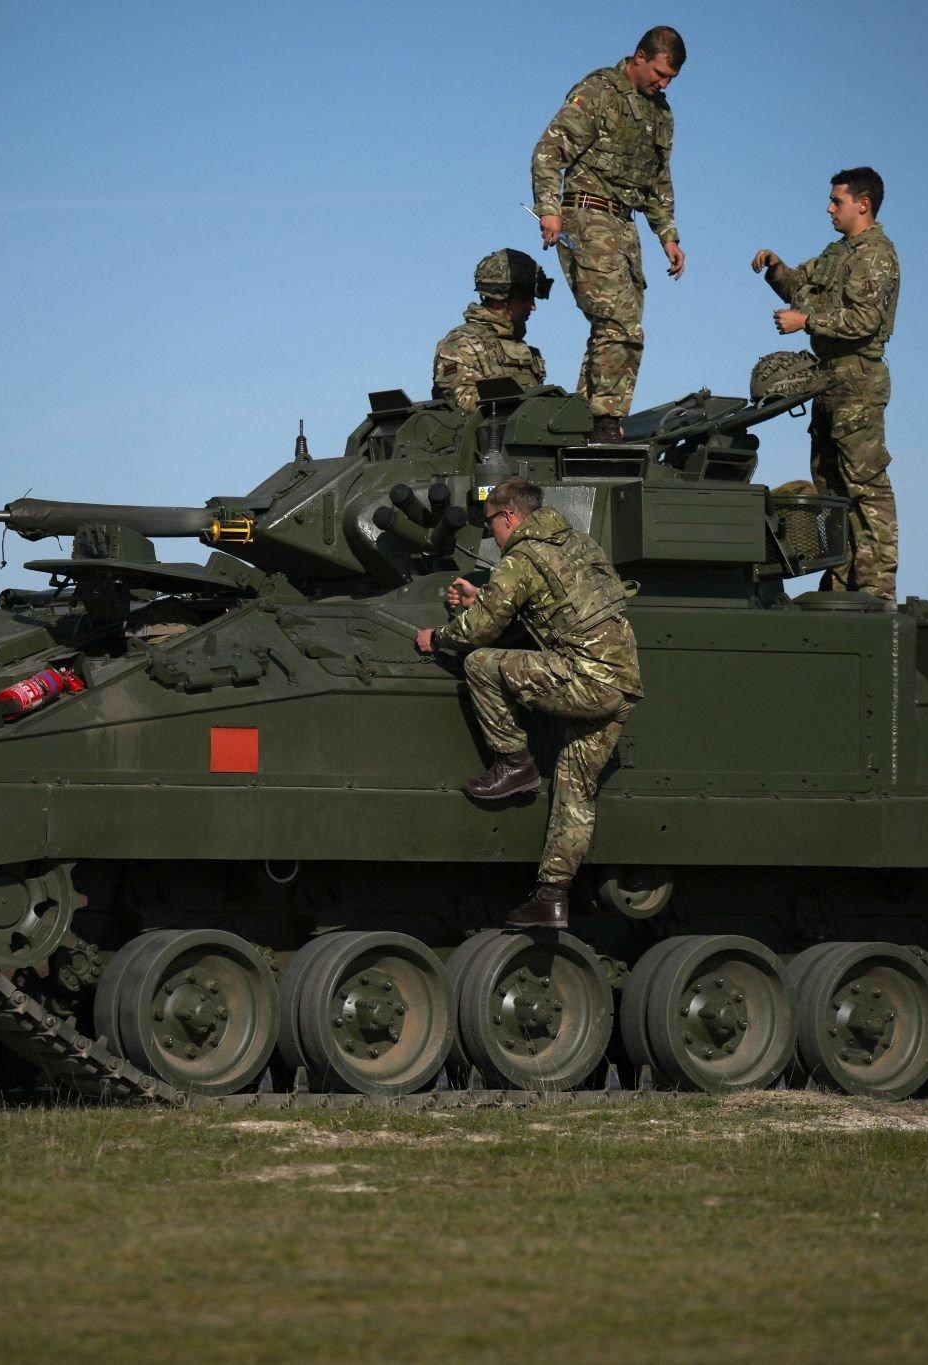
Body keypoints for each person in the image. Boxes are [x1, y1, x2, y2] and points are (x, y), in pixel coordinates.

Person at [414, 478, 643, 929]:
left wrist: (437, 636)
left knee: (480, 663)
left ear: (510, 516)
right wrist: (485, 598)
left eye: (491, 524)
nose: (492, 535)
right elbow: (555, 605)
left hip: (584, 676)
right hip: (621, 681)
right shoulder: (578, 544)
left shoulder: (520, 557)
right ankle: (552, 897)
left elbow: (478, 633)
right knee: (575, 793)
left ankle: (515, 764)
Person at [531, 26, 689, 445]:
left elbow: (658, 181)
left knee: (615, 325)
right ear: (639, 57)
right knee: (620, 323)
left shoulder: (661, 114)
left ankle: (586, 420)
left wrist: (667, 235)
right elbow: (549, 152)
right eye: (659, 72)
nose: (664, 82)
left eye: (671, 77)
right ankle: (606, 422)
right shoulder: (599, 92)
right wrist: (549, 210)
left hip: (625, 224)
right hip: (586, 214)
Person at [751, 167, 901, 599]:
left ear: (863, 204)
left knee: (866, 487)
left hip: (857, 382)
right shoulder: (838, 253)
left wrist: (808, 322)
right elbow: (801, 287)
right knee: (831, 488)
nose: (829, 208)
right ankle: (840, 580)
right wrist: (778, 269)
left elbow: (865, 320)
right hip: (827, 381)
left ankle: (875, 586)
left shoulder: (876, 255)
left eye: (837, 201)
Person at [433, 249, 551, 411]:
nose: (532, 307)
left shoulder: (519, 346)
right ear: (501, 298)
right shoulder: (461, 343)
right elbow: (462, 402)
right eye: (525, 299)